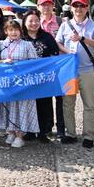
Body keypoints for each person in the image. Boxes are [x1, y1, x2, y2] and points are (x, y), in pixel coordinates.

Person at [56, 0, 94, 149]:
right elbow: (58, 42)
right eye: (75, 6)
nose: (78, 9)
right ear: (71, 8)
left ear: (87, 8)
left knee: (89, 104)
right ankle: (71, 133)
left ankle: (88, 136)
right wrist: (66, 51)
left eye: (82, 6)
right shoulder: (65, 25)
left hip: (87, 70)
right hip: (69, 71)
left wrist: (82, 38)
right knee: (68, 104)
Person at [0, 19, 39, 148]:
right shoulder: (1, 44)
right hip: (7, 82)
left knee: (22, 108)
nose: (13, 32)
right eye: (10, 30)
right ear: (6, 31)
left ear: (20, 31)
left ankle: (20, 135)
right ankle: (11, 131)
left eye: (16, 29)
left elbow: (34, 63)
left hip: (22, 82)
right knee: (8, 107)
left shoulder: (27, 45)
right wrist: (3, 62)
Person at [22, 9, 60, 143]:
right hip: (25, 78)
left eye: (36, 21)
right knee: (28, 103)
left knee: (44, 103)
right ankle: (30, 131)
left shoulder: (47, 37)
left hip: (44, 78)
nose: (34, 23)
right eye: (30, 21)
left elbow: (55, 55)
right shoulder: (21, 38)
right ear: (25, 22)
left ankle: (44, 131)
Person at [36, 0, 65, 137]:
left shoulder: (61, 22)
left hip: (60, 64)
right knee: (45, 97)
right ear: (38, 7)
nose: (46, 7)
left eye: (48, 4)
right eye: (43, 5)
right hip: (42, 66)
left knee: (61, 98)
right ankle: (47, 126)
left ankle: (61, 128)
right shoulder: (35, 23)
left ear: (53, 6)